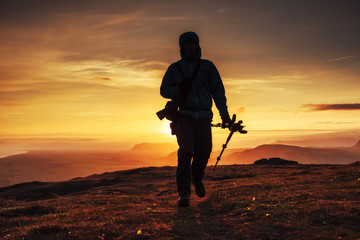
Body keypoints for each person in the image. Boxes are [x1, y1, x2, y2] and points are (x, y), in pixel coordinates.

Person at [160, 31, 232, 207]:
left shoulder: (208, 67)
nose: (190, 46)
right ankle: (184, 193)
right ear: (182, 47)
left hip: (204, 117)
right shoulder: (174, 68)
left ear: (197, 45)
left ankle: (197, 178)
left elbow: (218, 92)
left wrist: (224, 115)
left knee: (205, 151)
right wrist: (179, 89)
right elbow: (164, 90)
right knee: (185, 152)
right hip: (184, 116)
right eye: (187, 44)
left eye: (193, 43)